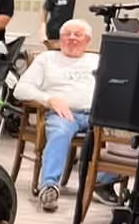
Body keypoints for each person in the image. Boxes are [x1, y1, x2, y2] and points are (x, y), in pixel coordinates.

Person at [13, 17, 101, 212]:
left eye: (77, 35)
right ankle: (50, 187)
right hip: (63, 115)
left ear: (88, 40)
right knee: (60, 132)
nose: (71, 38)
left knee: (126, 134)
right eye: (66, 35)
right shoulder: (47, 59)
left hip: (97, 116)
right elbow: (20, 89)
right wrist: (49, 99)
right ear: (60, 39)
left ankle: (103, 183)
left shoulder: (98, 60)